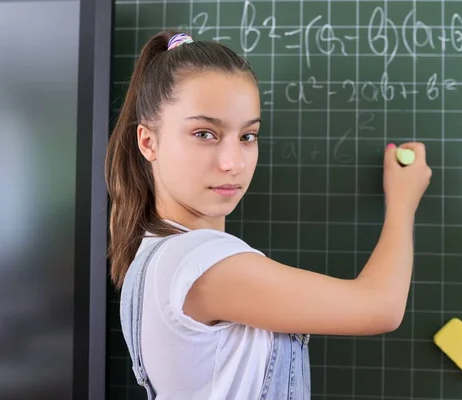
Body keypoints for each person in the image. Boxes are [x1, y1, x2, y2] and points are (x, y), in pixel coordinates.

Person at [105, 31, 432, 400]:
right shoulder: (199, 263)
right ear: (149, 141)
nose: (233, 163)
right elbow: (381, 307)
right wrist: (403, 203)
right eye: (204, 133)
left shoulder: (155, 255)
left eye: (247, 136)